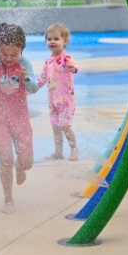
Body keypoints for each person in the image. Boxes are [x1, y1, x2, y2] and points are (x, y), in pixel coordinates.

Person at [0, 23, 38, 214]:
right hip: (0, 121)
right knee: (5, 160)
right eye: (4, 54)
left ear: (22, 49)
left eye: (14, 54)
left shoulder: (24, 64)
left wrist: (26, 78)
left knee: (26, 162)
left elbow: (34, 88)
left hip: (20, 121)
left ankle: (20, 167)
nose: (9, 58)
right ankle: (8, 199)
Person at [37, 23, 79, 161]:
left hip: (66, 101)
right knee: (55, 128)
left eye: (56, 39)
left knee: (65, 126)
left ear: (65, 41)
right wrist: (31, 89)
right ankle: (58, 152)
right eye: (49, 39)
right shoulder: (48, 61)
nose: (52, 42)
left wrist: (73, 68)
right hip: (53, 102)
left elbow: (74, 65)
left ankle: (74, 150)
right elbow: (42, 79)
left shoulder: (66, 59)